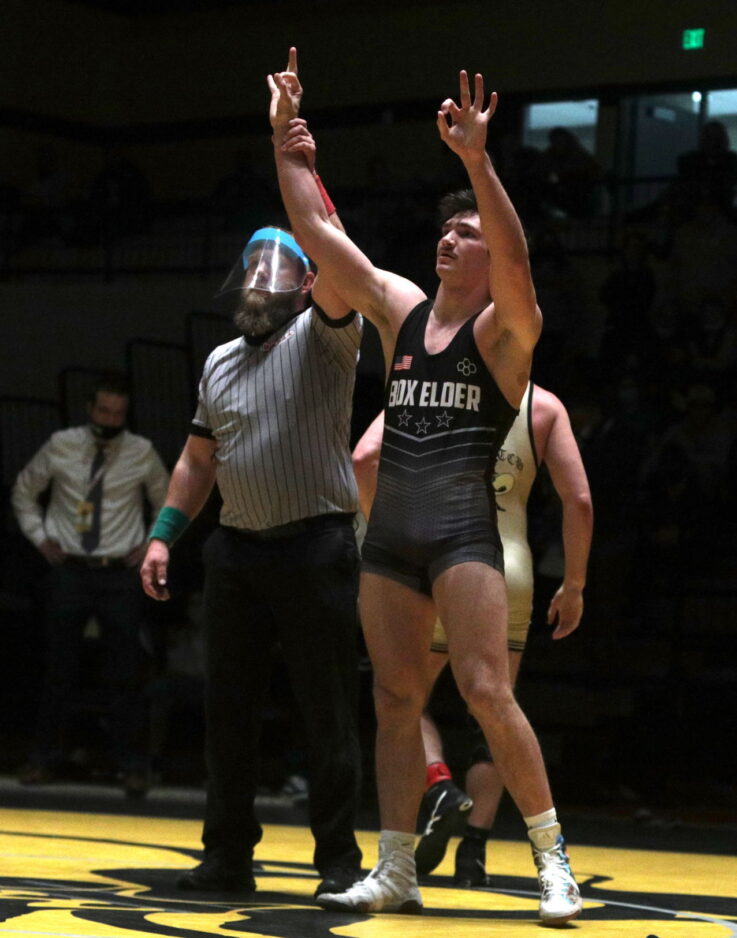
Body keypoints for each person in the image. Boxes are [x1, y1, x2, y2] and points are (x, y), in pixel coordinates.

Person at [269, 50, 583, 925]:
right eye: (444, 231)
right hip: (392, 539)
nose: (449, 239)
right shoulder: (402, 308)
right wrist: (287, 149)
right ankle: (397, 865)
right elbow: (319, 238)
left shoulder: (505, 335)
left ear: (488, 254)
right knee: (395, 697)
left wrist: (478, 164)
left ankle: (553, 860)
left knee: (486, 690)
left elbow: (518, 264)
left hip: (462, 534)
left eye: (465, 233)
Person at [140, 214, 364, 898]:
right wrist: (162, 534)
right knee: (226, 710)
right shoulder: (218, 361)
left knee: (325, 707)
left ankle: (336, 863)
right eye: (255, 266)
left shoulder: (325, 336)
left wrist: (302, 181)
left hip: (316, 543)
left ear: (306, 283)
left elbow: (341, 269)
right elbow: (196, 459)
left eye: (281, 266)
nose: (264, 278)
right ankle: (227, 855)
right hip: (237, 550)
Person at [352, 382, 593, 886]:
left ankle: (439, 786)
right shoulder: (546, 406)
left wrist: (387, 535)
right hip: (511, 566)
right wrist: (574, 585)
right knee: (495, 711)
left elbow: (366, 458)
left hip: (440, 560)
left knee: (405, 698)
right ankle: (481, 849)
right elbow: (580, 500)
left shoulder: (432, 392)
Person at [11, 372, 169, 797]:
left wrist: (153, 541)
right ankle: (43, 758)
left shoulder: (141, 451)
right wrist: (39, 537)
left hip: (118, 571)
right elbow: (24, 491)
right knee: (58, 668)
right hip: (70, 568)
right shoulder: (63, 444)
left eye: (118, 412)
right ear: (89, 408)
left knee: (126, 672)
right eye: (104, 410)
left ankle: (133, 765)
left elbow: (168, 498)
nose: (111, 418)